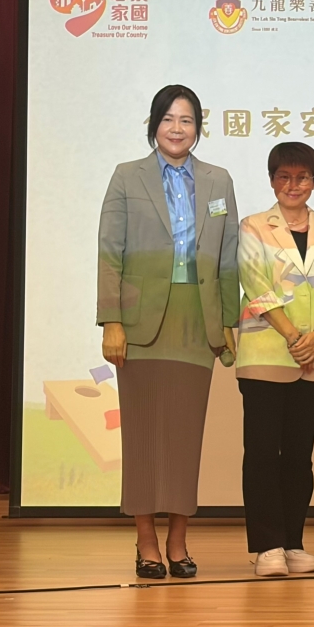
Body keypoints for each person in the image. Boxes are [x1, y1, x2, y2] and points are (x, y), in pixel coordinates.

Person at [97, 84, 239, 579]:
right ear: (153, 124)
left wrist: (227, 321)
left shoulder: (219, 180)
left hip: (196, 320)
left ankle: (178, 540)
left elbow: (227, 257)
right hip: (140, 324)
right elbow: (109, 253)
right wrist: (112, 321)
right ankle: (146, 541)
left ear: (198, 127)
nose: (177, 129)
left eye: (187, 120)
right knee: (143, 437)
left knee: (184, 438)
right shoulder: (127, 176)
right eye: (168, 119)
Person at [234, 142, 314, 577]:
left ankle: (293, 542)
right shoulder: (253, 226)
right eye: (284, 176)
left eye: (302, 177)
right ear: (272, 180)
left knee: (300, 456)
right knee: (263, 452)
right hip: (266, 350)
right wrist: (293, 335)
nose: (293, 185)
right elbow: (255, 284)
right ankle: (267, 545)